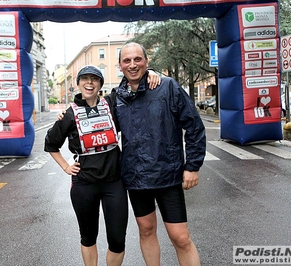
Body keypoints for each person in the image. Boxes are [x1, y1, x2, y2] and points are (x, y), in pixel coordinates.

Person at [44, 65, 161, 266]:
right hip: (84, 185)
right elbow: (51, 144)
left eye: (94, 79)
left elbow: (130, 81)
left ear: (100, 84)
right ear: (78, 84)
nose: (89, 83)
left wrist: (149, 72)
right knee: (88, 237)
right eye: (85, 79)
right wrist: (65, 166)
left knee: (117, 240)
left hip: (114, 183)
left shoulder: (111, 103)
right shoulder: (70, 114)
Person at [114, 42, 206, 266]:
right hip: (136, 179)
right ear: (120, 65)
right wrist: (65, 119)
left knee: (180, 237)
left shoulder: (168, 87)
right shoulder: (116, 97)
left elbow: (194, 126)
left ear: (146, 62)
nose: (133, 65)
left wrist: (192, 167)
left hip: (168, 175)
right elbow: (95, 121)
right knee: (146, 231)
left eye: (138, 59)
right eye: (127, 60)